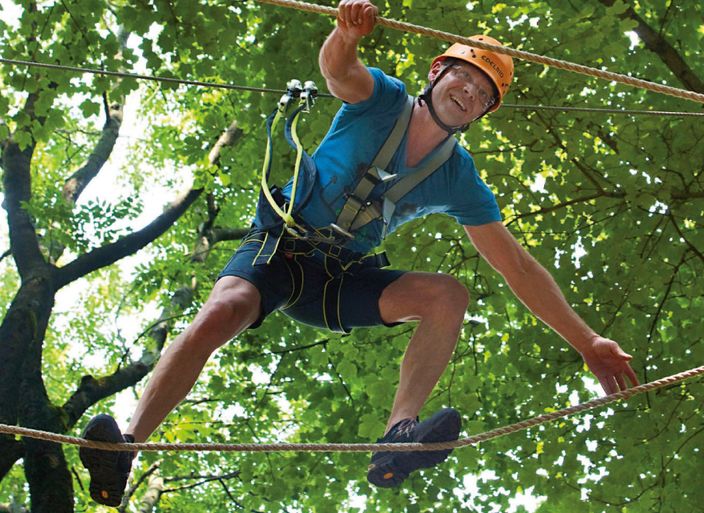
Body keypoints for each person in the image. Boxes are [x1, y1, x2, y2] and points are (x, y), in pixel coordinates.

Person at [79, 0, 640, 504]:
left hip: (340, 282)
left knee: (447, 295)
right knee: (223, 308)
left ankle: (398, 439)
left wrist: (586, 341)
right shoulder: (383, 99)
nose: (469, 92)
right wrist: (346, 34)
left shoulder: (459, 179)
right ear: (437, 73)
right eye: (465, 77)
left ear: (481, 115)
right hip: (280, 248)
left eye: (483, 95)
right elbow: (338, 71)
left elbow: (518, 267)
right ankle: (125, 448)